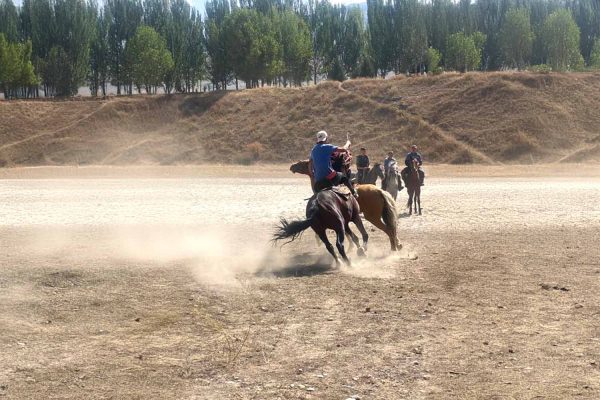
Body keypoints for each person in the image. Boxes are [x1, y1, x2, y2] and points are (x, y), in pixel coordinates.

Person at [309, 130, 358, 198]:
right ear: (326, 138)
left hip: (318, 182)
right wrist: (348, 143)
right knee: (343, 178)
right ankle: (354, 193)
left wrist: (314, 175)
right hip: (329, 178)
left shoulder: (313, 150)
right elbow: (343, 149)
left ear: (318, 139)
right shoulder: (327, 146)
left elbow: (310, 166)